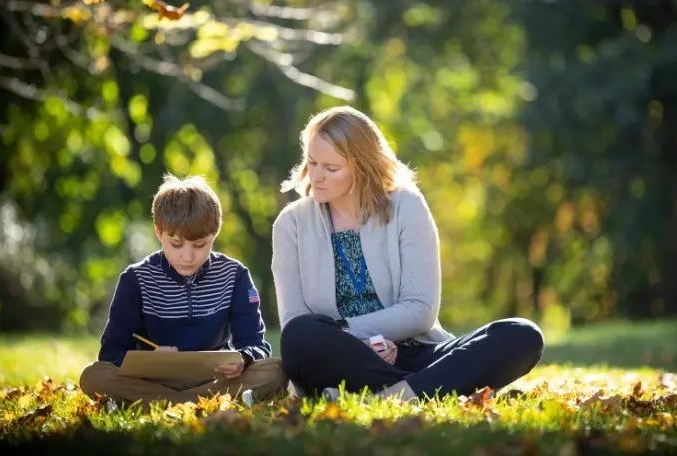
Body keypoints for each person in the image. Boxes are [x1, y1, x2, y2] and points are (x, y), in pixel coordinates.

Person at [272, 106, 545, 401]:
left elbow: (420, 310)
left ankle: (387, 396)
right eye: (312, 163)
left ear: (362, 166)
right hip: (342, 360)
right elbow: (293, 320)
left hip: (417, 352)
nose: (317, 176)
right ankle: (430, 387)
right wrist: (359, 343)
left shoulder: (407, 205)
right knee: (299, 335)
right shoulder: (292, 223)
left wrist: (352, 330)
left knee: (522, 334)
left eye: (331, 168)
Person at [80, 173, 287, 410]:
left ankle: (161, 405)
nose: (187, 257)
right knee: (93, 376)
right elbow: (111, 352)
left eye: (200, 245)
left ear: (214, 234)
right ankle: (207, 403)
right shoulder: (135, 279)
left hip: (216, 379)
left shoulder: (235, 275)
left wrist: (244, 358)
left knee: (276, 370)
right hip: (153, 380)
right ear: (159, 233)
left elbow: (255, 343)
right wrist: (149, 360)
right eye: (176, 244)